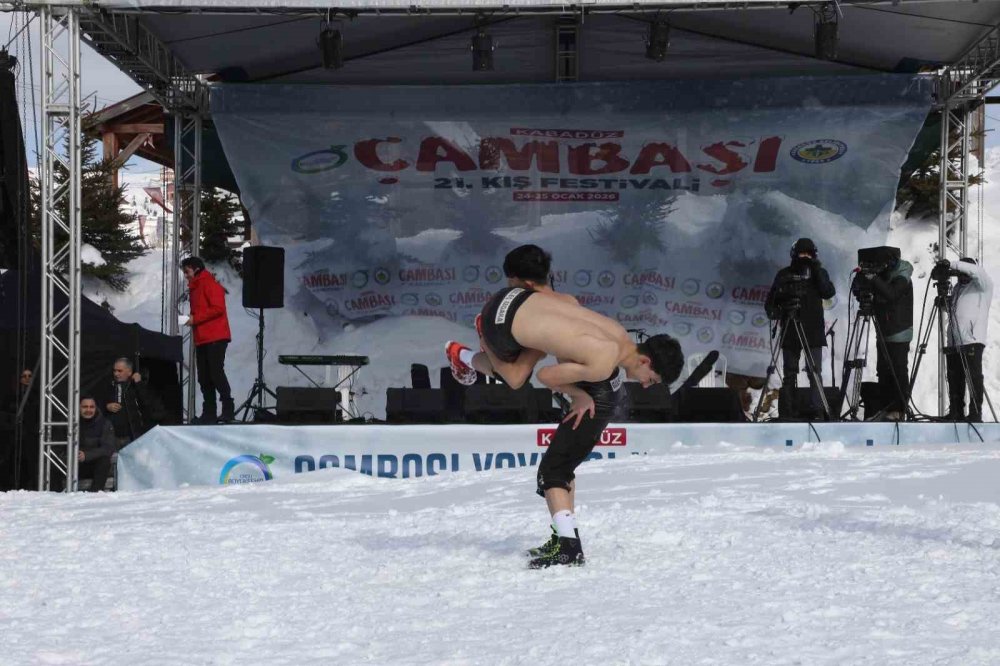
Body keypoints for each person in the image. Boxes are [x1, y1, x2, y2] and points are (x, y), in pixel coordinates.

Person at [446, 245, 684, 568]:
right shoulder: (603, 363)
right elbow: (545, 376)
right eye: (650, 378)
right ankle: (568, 546)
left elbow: (564, 313)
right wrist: (580, 394)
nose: (644, 384)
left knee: (559, 463)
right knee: (519, 386)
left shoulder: (615, 332)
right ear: (645, 359)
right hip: (500, 326)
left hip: (512, 302)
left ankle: (565, 539)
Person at [764, 238, 836, 420]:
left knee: (815, 372)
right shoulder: (784, 274)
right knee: (789, 373)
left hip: (813, 330)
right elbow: (770, 304)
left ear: (814, 255)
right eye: (801, 254)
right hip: (790, 328)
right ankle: (788, 411)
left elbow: (828, 292)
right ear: (794, 255)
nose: (805, 258)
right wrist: (780, 308)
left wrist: (816, 269)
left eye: (808, 254)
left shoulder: (819, 273)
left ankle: (818, 411)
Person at [854, 251, 913, 421]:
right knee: (883, 371)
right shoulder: (883, 275)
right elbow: (860, 291)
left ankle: (898, 410)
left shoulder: (903, 275)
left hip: (899, 331)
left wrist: (873, 278)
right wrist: (863, 278)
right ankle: (886, 409)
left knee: (898, 371)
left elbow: (891, 294)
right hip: (884, 330)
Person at [181, 256, 234, 424]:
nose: (185, 275)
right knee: (204, 377)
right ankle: (209, 412)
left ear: (196, 269)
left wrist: (195, 319)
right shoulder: (196, 287)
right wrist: (192, 319)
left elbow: (218, 308)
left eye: (187, 271)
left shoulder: (209, 283)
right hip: (202, 338)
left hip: (216, 336)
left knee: (216, 373)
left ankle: (227, 408)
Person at [941, 258, 993, 422]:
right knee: (954, 376)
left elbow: (976, 272)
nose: (961, 277)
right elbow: (956, 310)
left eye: (963, 273)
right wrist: (944, 302)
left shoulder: (982, 285)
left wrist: (952, 265)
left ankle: (975, 412)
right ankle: (956, 411)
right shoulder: (957, 288)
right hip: (955, 340)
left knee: (973, 377)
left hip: (972, 339)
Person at [102, 357, 168, 448]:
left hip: (133, 435)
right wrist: (107, 406)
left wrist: (139, 383)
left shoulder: (136, 386)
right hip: (113, 436)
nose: (116, 374)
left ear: (129, 372)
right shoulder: (109, 386)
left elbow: (148, 404)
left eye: (119, 371)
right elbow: (98, 404)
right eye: (114, 371)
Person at [1, 367, 39, 491]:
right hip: (12, 436)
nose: (27, 379)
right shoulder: (10, 396)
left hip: (31, 436)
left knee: (31, 464)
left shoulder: (38, 395)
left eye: (30, 376)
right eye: (24, 376)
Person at [78, 397, 117, 492]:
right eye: (85, 407)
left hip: (93, 465)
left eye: (91, 407)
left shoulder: (104, 423)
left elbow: (108, 448)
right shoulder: (70, 422)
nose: (88, 410)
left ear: (96, 408)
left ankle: (95, 494)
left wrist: (86, 455)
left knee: (104, 460)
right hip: (74, 464)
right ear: (78, 407)